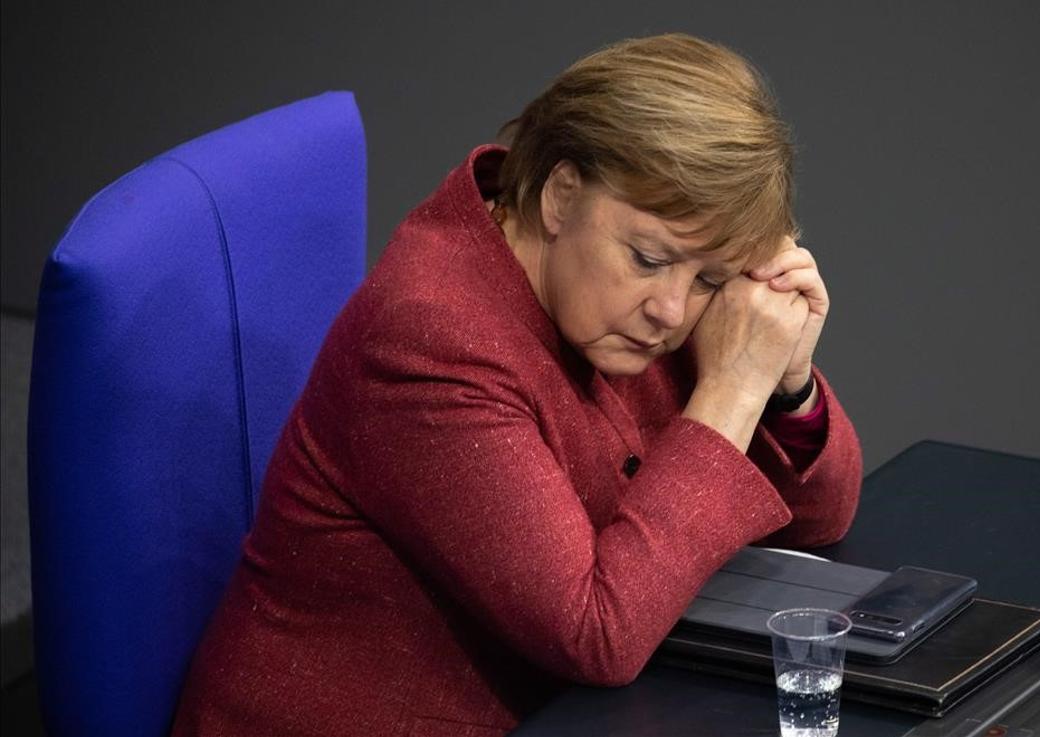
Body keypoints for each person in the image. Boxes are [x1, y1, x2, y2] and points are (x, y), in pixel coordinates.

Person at [172, 33, 862, 736]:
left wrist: (785, 385)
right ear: (561, 195)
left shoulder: (642, 286)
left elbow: (822, 517)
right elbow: (598, 633)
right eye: (648, 258)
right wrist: (731, 391)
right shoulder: (430, 339)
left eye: (711, 279)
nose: (674, 310)